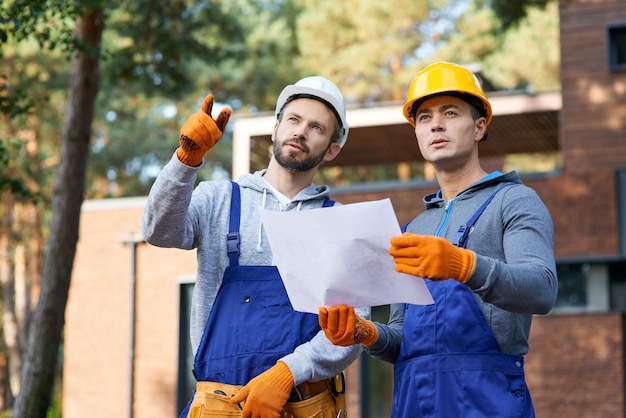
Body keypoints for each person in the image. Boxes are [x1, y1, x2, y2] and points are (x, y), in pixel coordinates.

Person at [318, 62, 558, 417]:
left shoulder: (514, 200)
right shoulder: (413, 228)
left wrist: (463, 266)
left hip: (487, 401)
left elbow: (542, 288)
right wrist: (366, 334)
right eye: (425, 117)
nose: (436, 125)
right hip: (415, 401)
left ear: (479, 127)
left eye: (450, 112)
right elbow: (403, 339)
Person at [141, 76, 367, 418]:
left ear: (331, 149)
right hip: (220, 405)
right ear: (275, 129)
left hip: (303, 405)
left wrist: (289, 371)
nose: (301, 131)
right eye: (293, 119)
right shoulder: (217, 199)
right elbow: (158, 231)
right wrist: (185, 161)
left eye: (317, 127)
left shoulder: (337, 225)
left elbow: (354, 328)